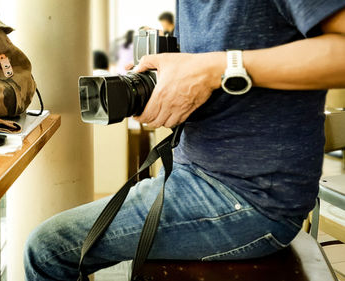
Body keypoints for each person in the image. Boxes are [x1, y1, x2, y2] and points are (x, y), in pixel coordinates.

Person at [24, 1, 345, 280]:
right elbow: (213, 76)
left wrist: (219, 68)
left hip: (252, 198)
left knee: (47, 248)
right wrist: (169, 86)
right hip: (188, 171)